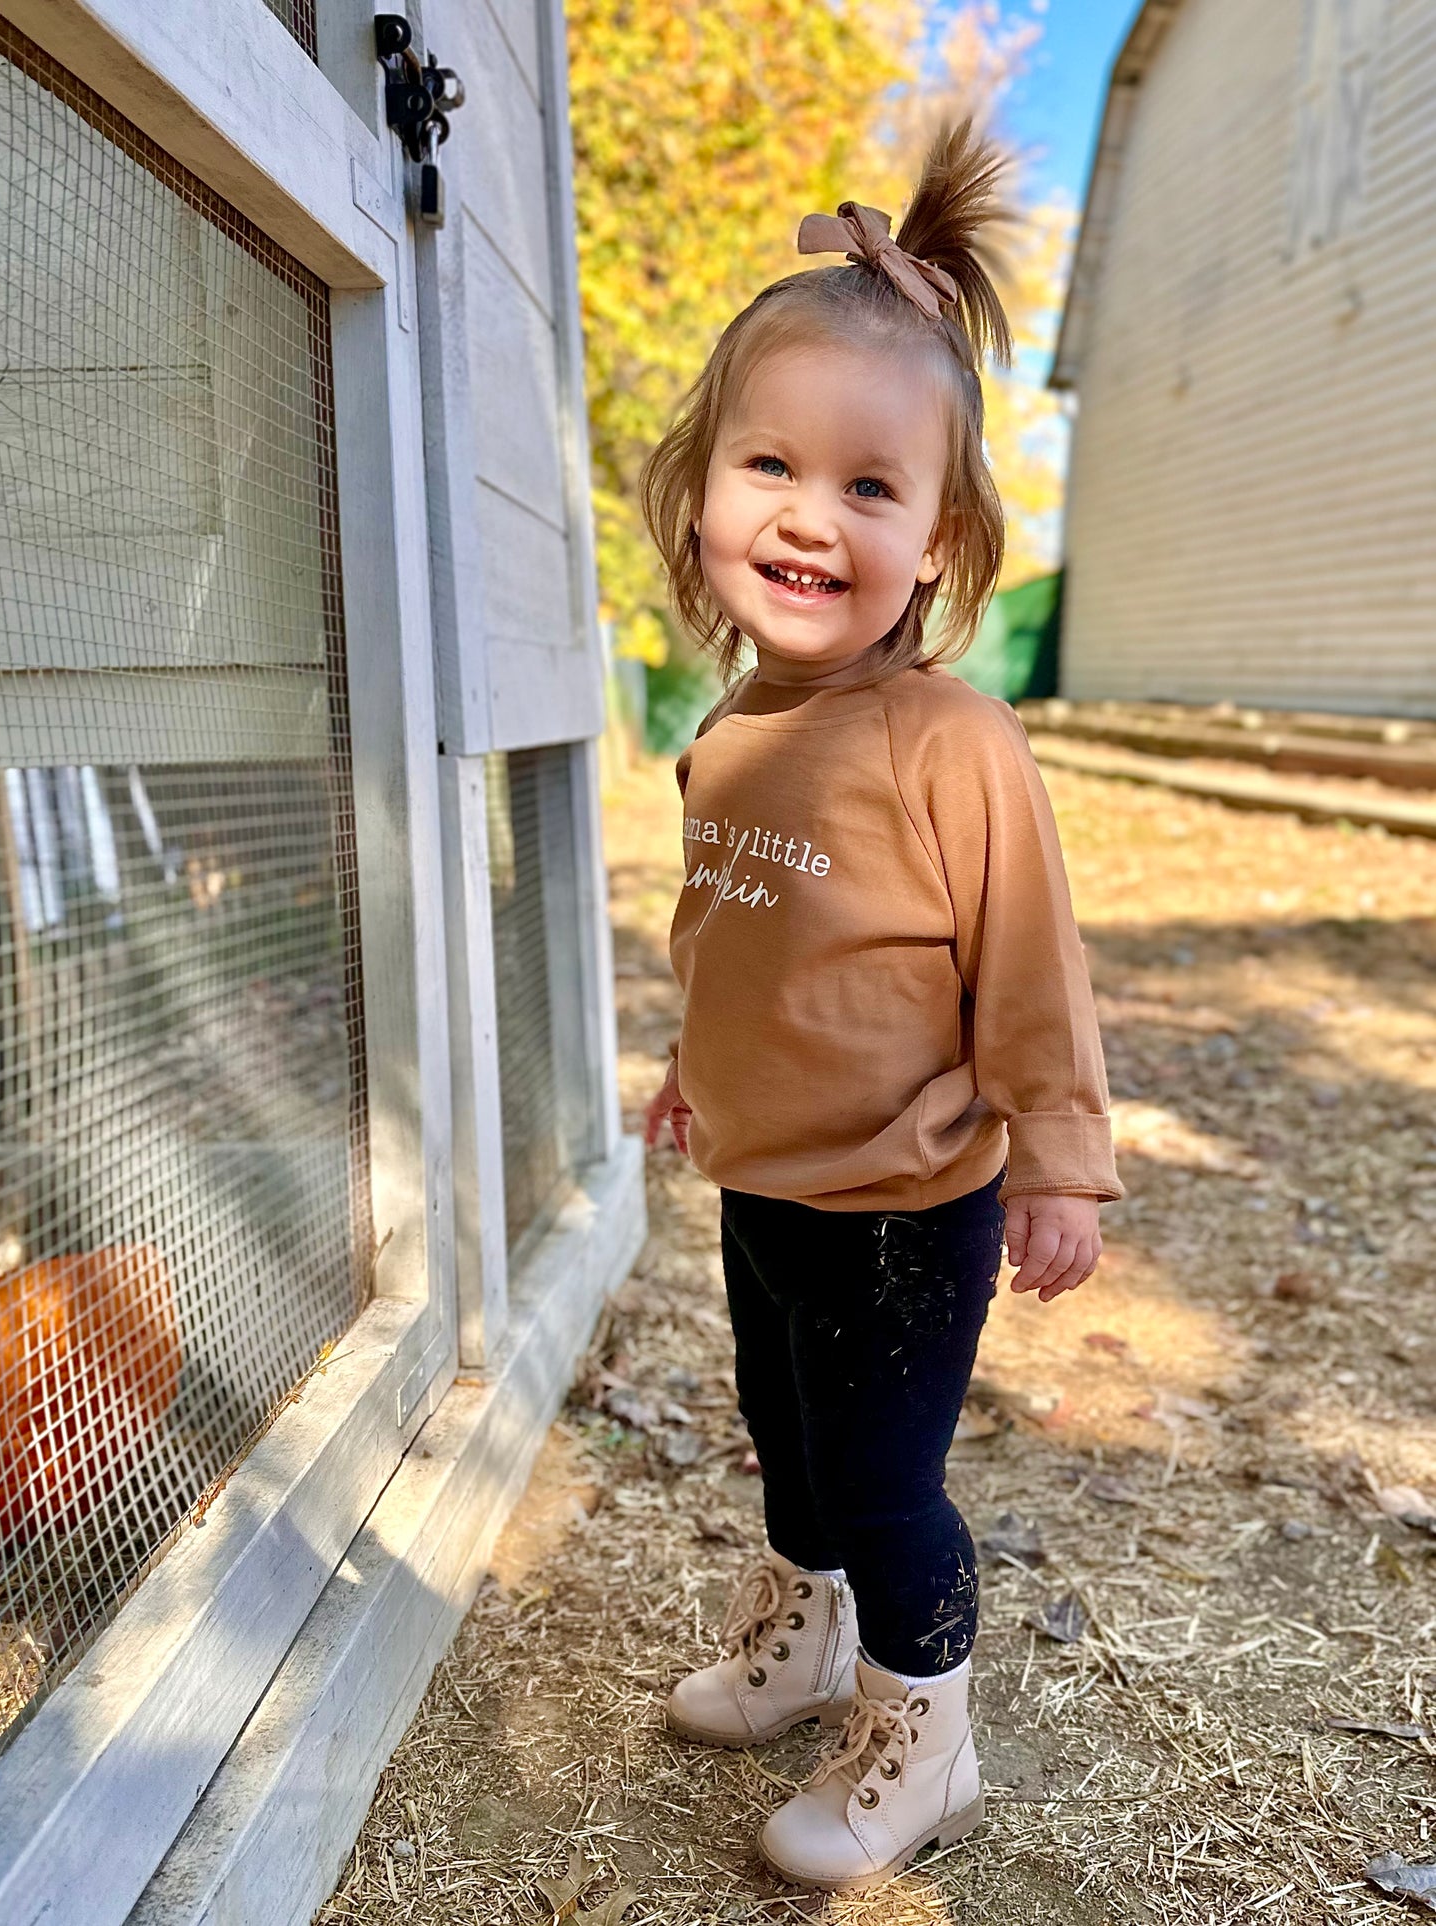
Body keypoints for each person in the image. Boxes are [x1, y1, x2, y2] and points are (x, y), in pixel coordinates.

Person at [640, 121, 1124, 1895]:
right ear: (702, 491)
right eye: (772, 462)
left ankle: (927, 1731)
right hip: (766, 1181)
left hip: (912, 1204)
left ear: (933, 541)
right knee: (786, 1431)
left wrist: (1059, 1159)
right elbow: (730, 937)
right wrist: (686, 1070)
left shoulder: (948, 742)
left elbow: (1029, 963)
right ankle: (806, 1642)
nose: (809, 515)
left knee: (883, 1477)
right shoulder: (727, 733)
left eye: (868, 487)